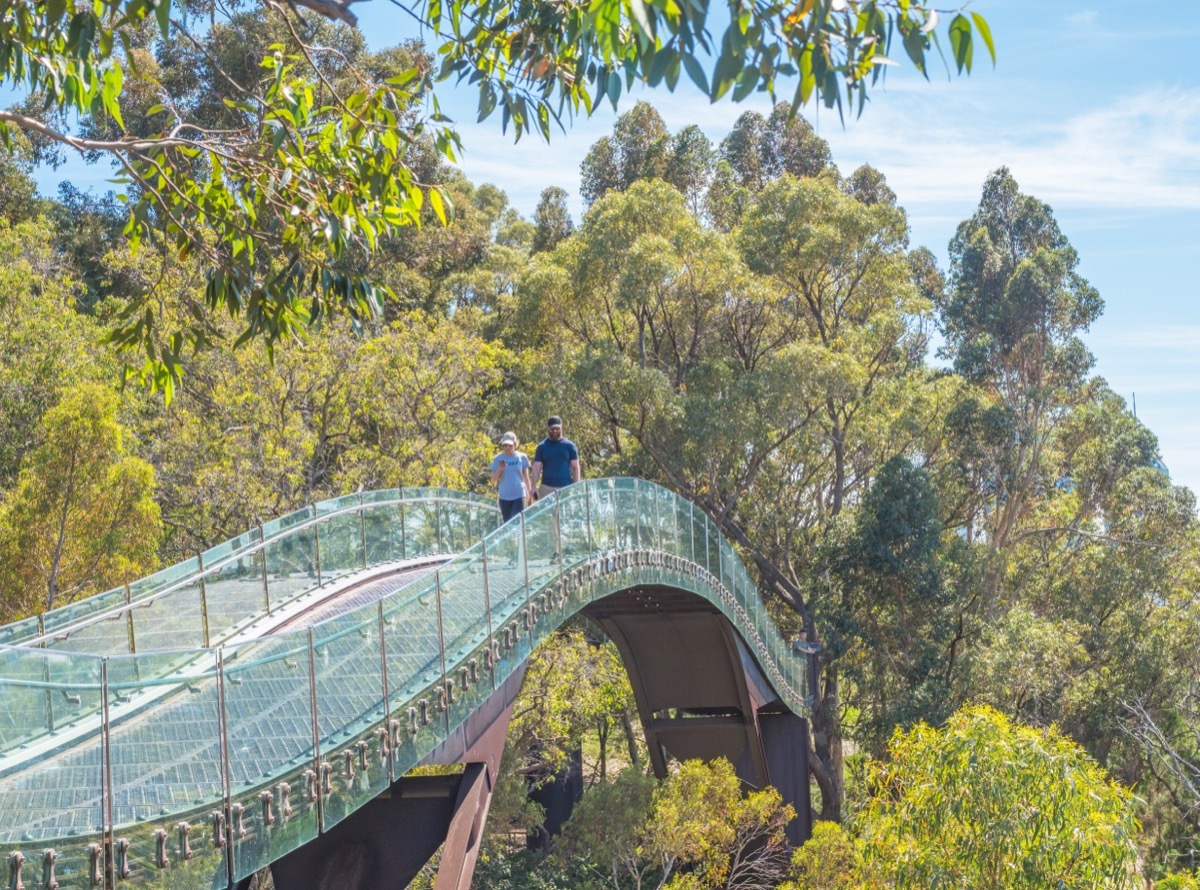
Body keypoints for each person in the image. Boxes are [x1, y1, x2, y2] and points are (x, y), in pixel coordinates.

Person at [531, 416, 580, 500]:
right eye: (552, 429)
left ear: (561, 428)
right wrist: (533, 486)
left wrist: (577, 485)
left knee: (565, 513)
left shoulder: (569, 446)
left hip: (566, 486)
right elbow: (536, 468)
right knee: (547, 513)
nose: (554, 431)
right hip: (546, 487)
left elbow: (575, 467)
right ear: (548, 428)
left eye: (557, 429)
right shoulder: (542, 446)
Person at [491, 432, 533, 522]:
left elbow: (526, 477)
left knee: (518, 521)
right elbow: (493, 480)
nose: (508, 448)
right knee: (508, 524)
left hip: (519, 494)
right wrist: (499, 469)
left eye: (510, 445)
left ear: (515, 444)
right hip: (504, 496)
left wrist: (530, 495)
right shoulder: (498, 459)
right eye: (505, 445)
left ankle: (520, 536)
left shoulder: (522, 457)